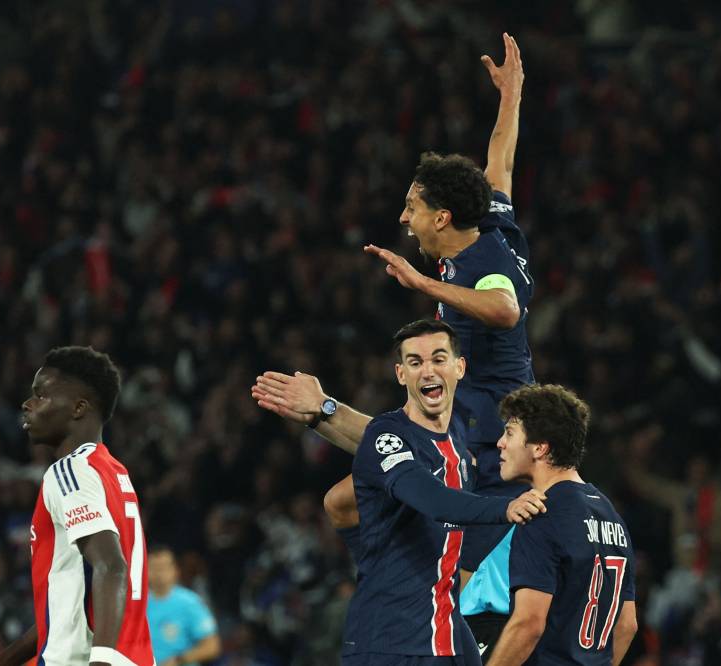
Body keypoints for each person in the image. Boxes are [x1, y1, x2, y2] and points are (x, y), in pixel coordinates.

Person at [254, 33, 532, 657]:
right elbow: (501, 161)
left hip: (490, 436)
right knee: (346, 499)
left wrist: (419, 281)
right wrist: (511, 96)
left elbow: (505, 306)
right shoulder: (490, 220)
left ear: (441, 219)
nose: (402, 219)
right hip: (479, 418)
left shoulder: (480, 268)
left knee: (443, 566)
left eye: (411, 208)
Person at [344, 319, 548, 665]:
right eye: (415, 362)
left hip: (446, 636)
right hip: (388, 643)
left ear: (459, 367)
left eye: (438, 359)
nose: (428, 371)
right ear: (400, 375)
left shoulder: (457, 442)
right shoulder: (387, 436)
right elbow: (431, 499)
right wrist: (505, 508)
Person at [0, 346, 153, 666]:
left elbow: (111, 566)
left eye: (41, 395)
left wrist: (101, 661)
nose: (28, 403)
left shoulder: (69, 471)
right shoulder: (113, 472)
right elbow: (62, 610)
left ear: (78, 408)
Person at [486, 383, 638, 666]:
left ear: (540, 448)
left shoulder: (542, 513)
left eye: (509, 432)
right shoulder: (611, 515)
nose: (500, 443)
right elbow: (627, 625)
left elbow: (528, 624)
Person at [146, 545, 221, 665]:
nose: (159, 573)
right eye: (154, 567)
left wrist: (179, 660)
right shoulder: (136, 604)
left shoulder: (190, 603)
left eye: (163, 567)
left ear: (175, 570)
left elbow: (212, 646)